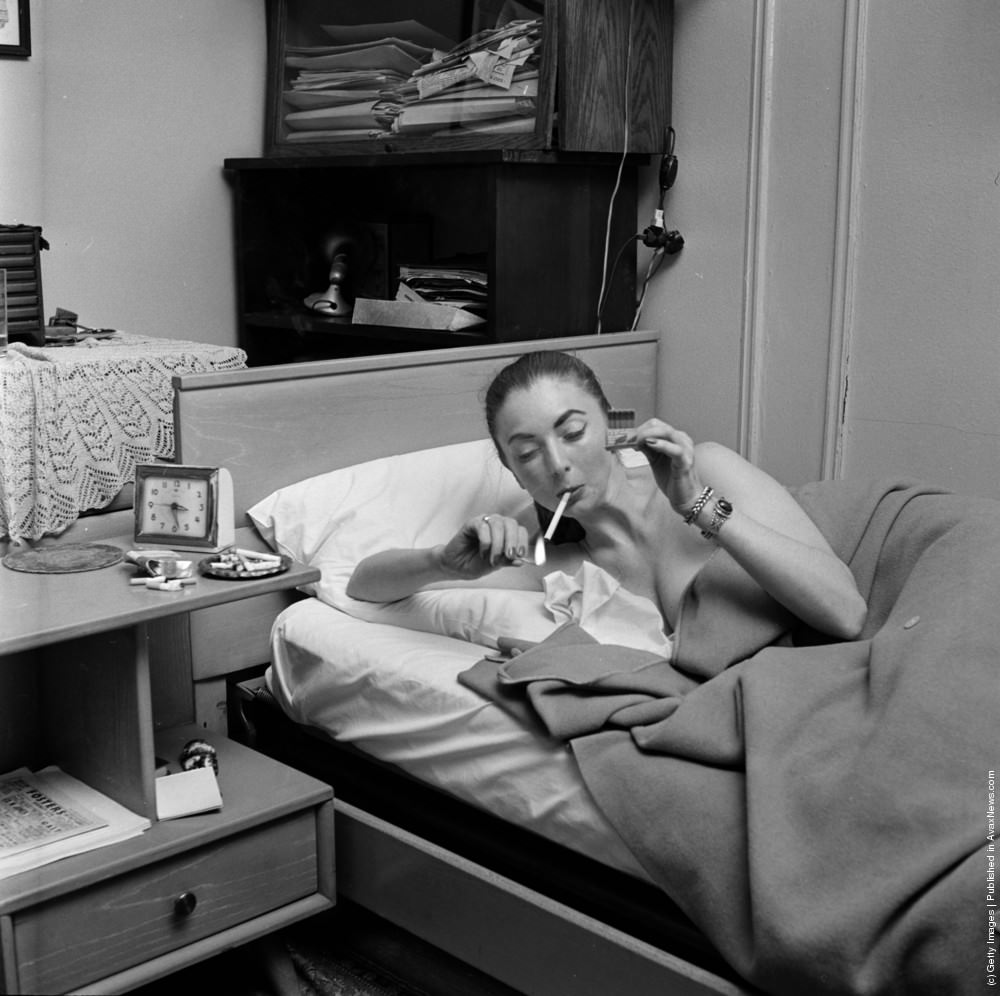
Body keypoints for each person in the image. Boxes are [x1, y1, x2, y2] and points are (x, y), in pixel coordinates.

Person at [347, 350, 867, 639]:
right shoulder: (558, 565)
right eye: (527, 455)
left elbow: (847, 612)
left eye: (573, 433)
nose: (557, 465)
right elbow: (363, 586)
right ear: (513, 472)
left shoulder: (708, 467)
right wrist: (443, 561)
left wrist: (697, 506)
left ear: (615, 427)